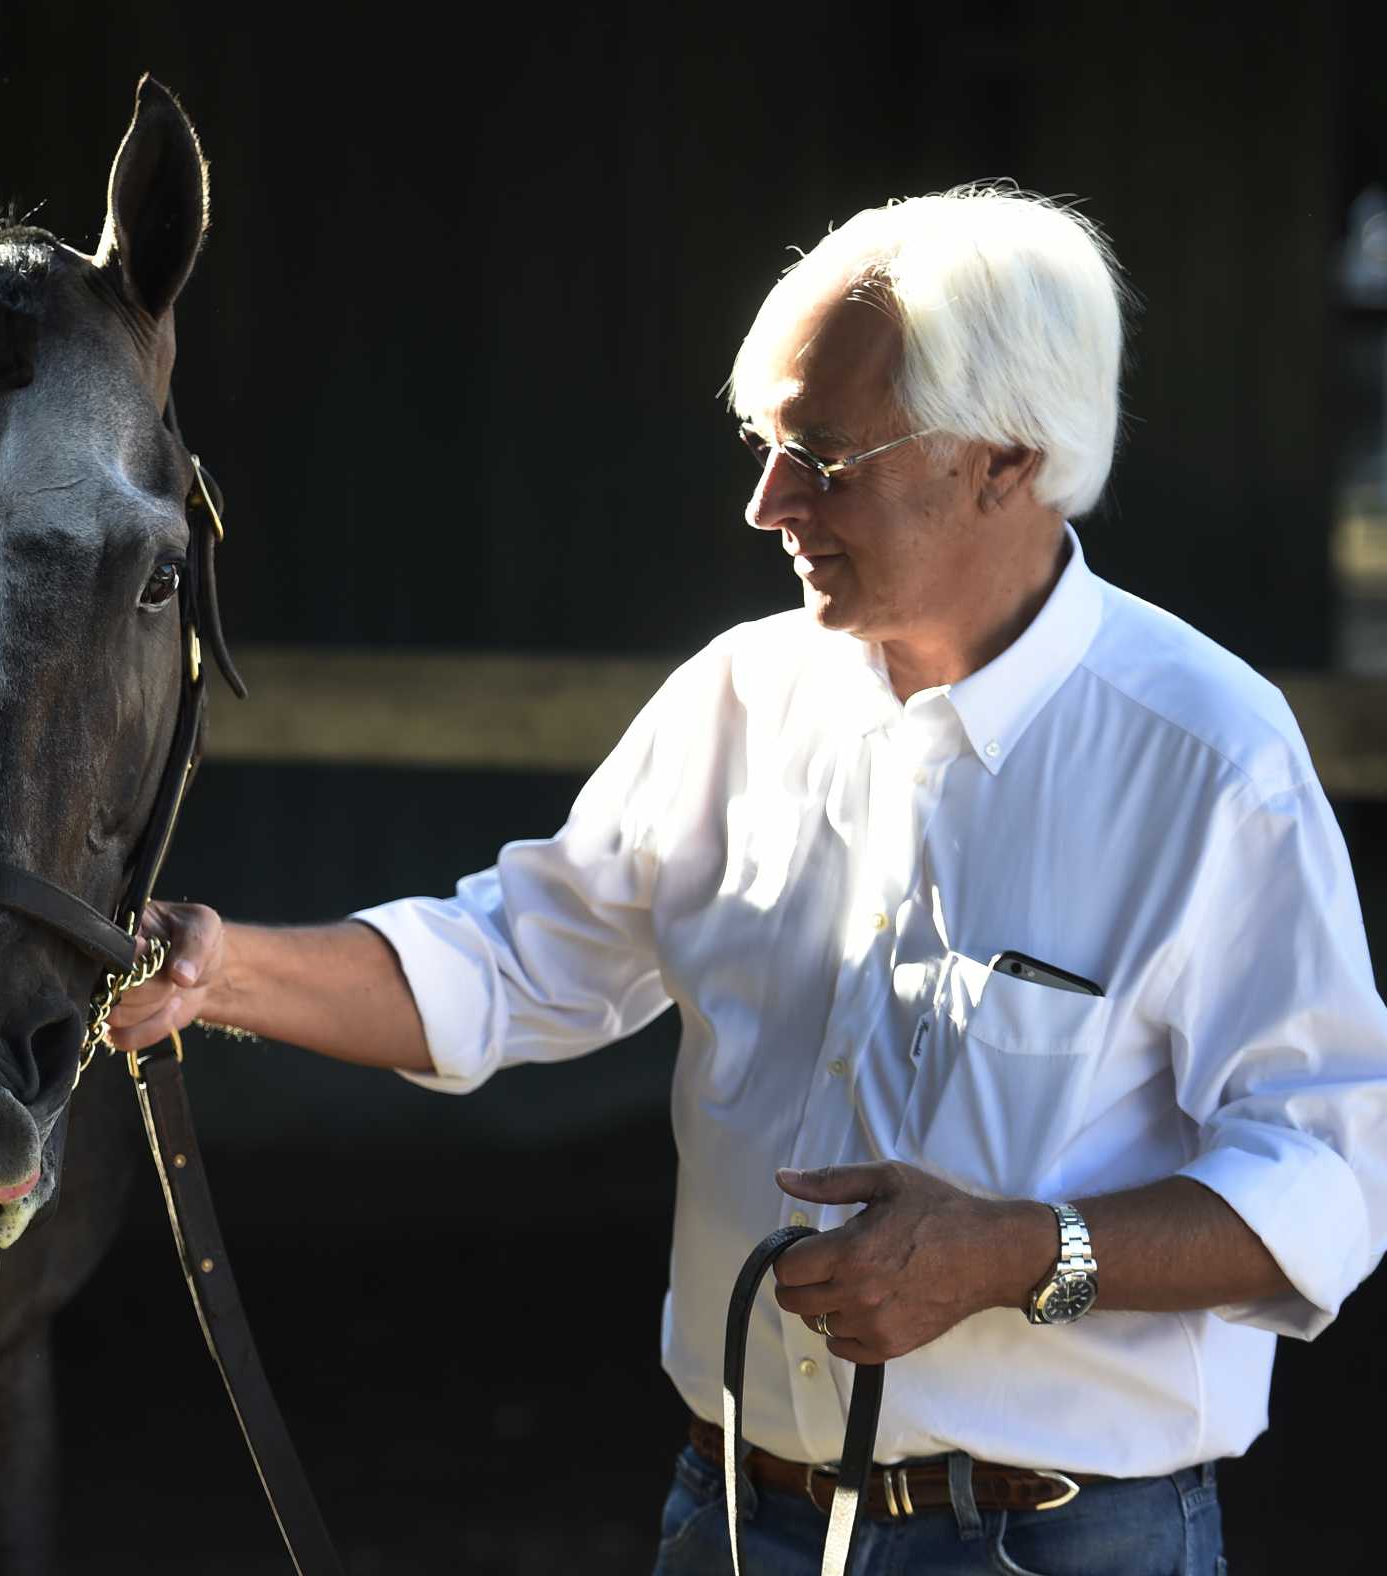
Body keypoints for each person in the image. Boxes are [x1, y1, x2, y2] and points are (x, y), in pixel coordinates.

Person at [109, 187, 1387, 1574]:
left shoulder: (1207, 755)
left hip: (1066, 1546)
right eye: (766, 446)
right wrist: (211, 970)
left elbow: (1330, 1178)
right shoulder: (742, 695)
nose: (766, 503)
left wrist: (1019, 1252)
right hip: (731, 1524)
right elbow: (512, 965)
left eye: (823, 460)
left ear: (1007, 461)